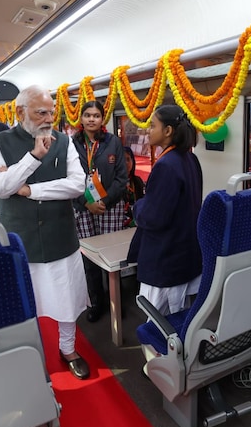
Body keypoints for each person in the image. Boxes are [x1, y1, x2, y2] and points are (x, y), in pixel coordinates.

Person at [0, 84, 90, 380]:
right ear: (21, 112)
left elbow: (77, 184)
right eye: (41, 112)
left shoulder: (63, 141)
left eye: (51, 112)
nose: (49, 118)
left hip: (60, 235)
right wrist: (32, 158)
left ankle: (68, 349)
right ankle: (29, 354)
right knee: (23, 301)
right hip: (20, 237)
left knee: (66, 299)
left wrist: (29, 190)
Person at [127, 104, 203, 316]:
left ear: (168, 131)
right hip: (185, 254)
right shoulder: (190, 158)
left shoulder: (166, 165)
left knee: (159, 324)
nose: (148, 131)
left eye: (153, 126)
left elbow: (153, 217)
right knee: (181, 318)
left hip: (166, 259)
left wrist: (138, 205)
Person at [71, 100, 128, 322]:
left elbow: (122, 178)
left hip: (109, 206)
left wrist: (102, 201)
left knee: (112, 256)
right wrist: (87, 202)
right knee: (89, 256)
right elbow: (67, 178)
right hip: (82, 206)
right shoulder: (72, 144)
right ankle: (96, 302)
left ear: (102, 119)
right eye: (87, 115)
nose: (91, 119)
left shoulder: (113, 142)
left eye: (96, 115)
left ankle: (116, 300)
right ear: (81, 118)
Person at [122, 146, 145, 228]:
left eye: (128, 159)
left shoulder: (137, 181)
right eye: (123, 160)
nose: (126, 163)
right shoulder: (114, 183)